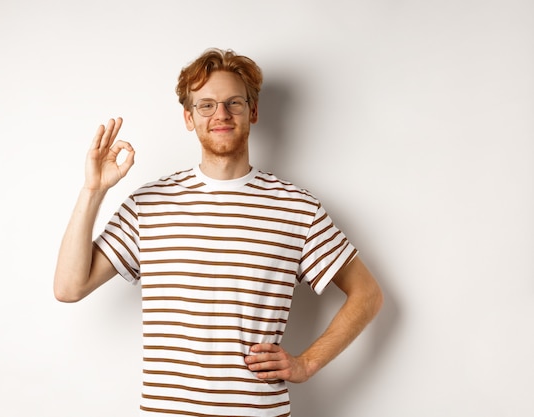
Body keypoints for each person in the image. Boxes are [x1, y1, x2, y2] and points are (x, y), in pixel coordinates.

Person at [54, 48, 383, 417]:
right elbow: (69, 288)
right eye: (206, 105)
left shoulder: (297, 207)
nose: (221, 114)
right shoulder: (149, 203)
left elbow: (367, 295)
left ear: (253, 111)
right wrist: (93, 191)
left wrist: (306, 364)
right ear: (189, 118)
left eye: (233, 103)